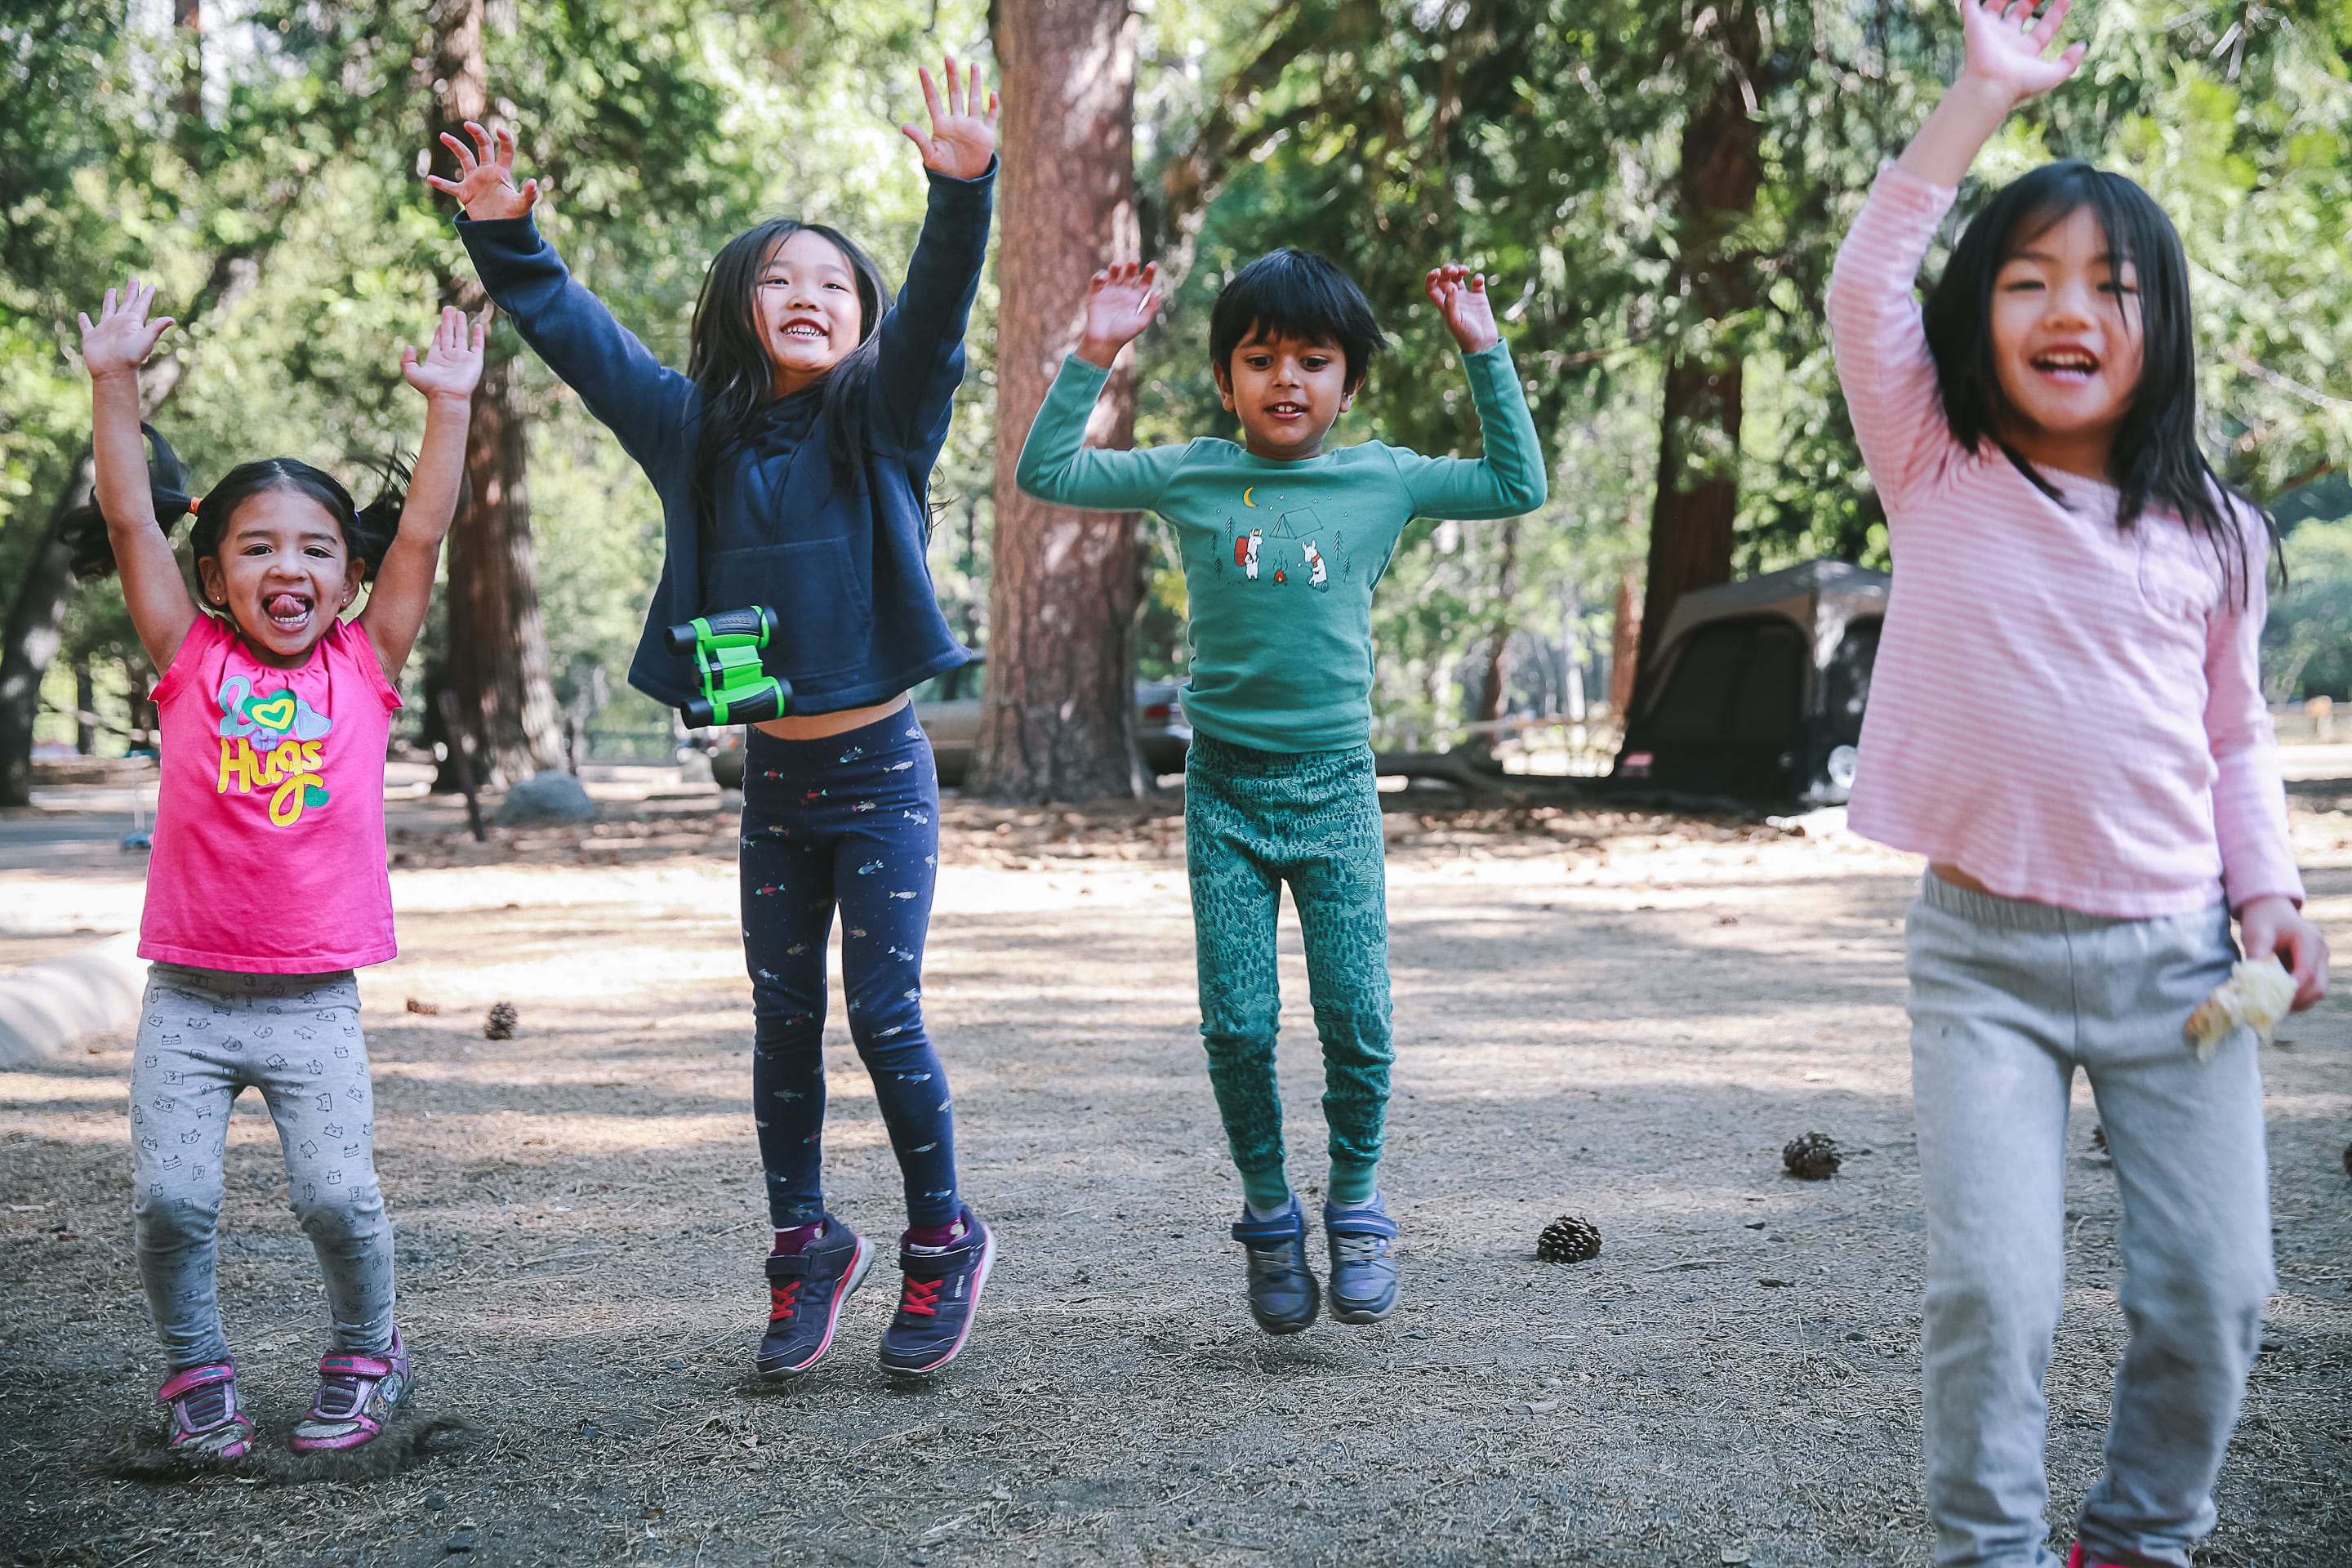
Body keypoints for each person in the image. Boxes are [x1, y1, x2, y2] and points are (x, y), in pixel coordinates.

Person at [1825, 3, 2332, 1563]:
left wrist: (2275, 896)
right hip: (1980, 957)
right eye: (2029, 279)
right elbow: (1862, 286)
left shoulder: (2221, 536)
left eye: (2111, 289)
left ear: (2160, 329)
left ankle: (2139, 1536)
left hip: (2179, 962)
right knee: (1996, 1286)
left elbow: (2237, 739)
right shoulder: (1937, 465)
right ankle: (1992, 1549)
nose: (2069, 310)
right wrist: (1981, 98)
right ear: (1981, 311)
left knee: (2217, 1291)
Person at [427, 60, 999, 1380]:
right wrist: (507, 234)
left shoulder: (883, 422)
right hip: (775, 791)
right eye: (780, 280)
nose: (809, 299)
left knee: (885, 1017)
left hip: (881, 772)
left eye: (834, 286)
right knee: (780, 1024)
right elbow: (579, 336)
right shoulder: (687, 430)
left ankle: (940, 1239)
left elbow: (934, 322)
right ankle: (805, 1246)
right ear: (738, 307)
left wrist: (959, 194)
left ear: (860, 322)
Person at [1015, 251, 1546, 1334]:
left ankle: (1355, 1203)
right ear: (1226, 380)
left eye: (1314, 359)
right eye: (1260, 360)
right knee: (1238, 1022)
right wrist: (1094, 351)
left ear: (1350, 382)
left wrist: (1484, 347)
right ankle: (1268, 1214)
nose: (1287, 379)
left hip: (1338, 789)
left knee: (1356, 1012)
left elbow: (1516, 485)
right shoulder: (1194, 474)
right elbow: (1049, 474)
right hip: (1226, 794)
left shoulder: (1381, 479)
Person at [69, 283, 484, 1456]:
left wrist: (447, 408)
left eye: (314, 548)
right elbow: (130, 526)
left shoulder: (364, 662)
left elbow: (422, 532)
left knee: (338, 1198)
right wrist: (115, 385)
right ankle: (194, 1373)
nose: (287, 566)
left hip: (314, 998)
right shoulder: (186, 656)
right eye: (256, 547)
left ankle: (370, 1351)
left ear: (347, 579)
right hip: (189, 999)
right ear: (214, 576)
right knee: (169, 1202)